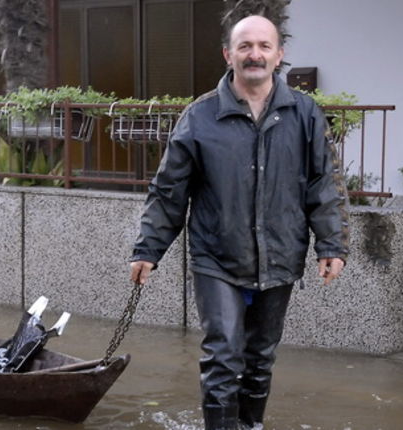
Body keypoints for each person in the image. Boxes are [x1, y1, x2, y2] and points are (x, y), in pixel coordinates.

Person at [128, 15, 349, 430]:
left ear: (279, 55)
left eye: (264, 46)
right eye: (245, 46)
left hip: (280, 253)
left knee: (260, 358)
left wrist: (332, 244)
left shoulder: (304, 114)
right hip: (217, 256)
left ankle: (250, 425)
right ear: (228, 55)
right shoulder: (200, 117)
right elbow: (169, 191)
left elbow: (325, 184)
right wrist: (148, 249)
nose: (255, 55)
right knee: (223, 354)